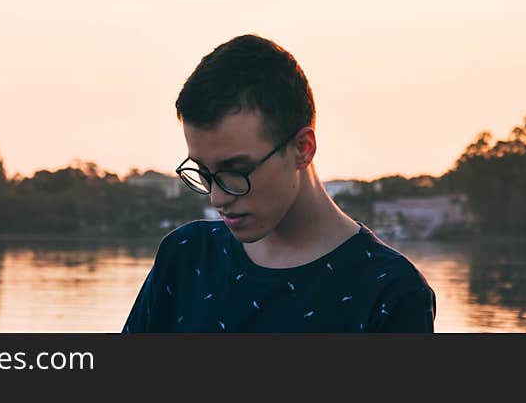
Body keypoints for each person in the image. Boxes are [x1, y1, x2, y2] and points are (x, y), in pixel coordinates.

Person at [122, 34, 436, 332]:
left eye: (236, 170)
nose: (217, 198)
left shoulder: (390, 293)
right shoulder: (187, 257)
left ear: (303, 149)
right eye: (204, 171)